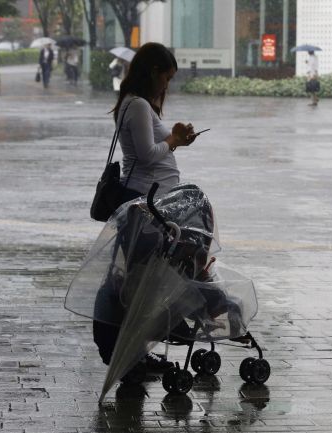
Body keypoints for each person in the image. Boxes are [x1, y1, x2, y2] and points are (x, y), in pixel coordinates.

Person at [93, 42, 198, 375]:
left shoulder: (141, 105)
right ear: (153, 71)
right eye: (166, 77)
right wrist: (173, 142)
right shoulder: (137, 105)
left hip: (152, 201)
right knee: (137, 284)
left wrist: (179, 137)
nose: (167, 85)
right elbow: (147, 154)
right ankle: (131, 353)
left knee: (137, 280)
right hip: (144, 203)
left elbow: (158, 147)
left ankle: (133, 353)